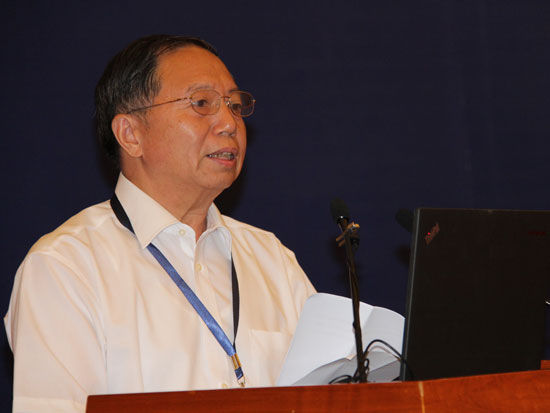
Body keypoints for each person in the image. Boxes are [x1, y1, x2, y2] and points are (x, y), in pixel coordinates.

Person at [4, 35, 315, 413]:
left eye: (234, 105)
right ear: (131, 134)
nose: (229, 123)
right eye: (202, 103)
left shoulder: (273, 260)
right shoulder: (66, 268)